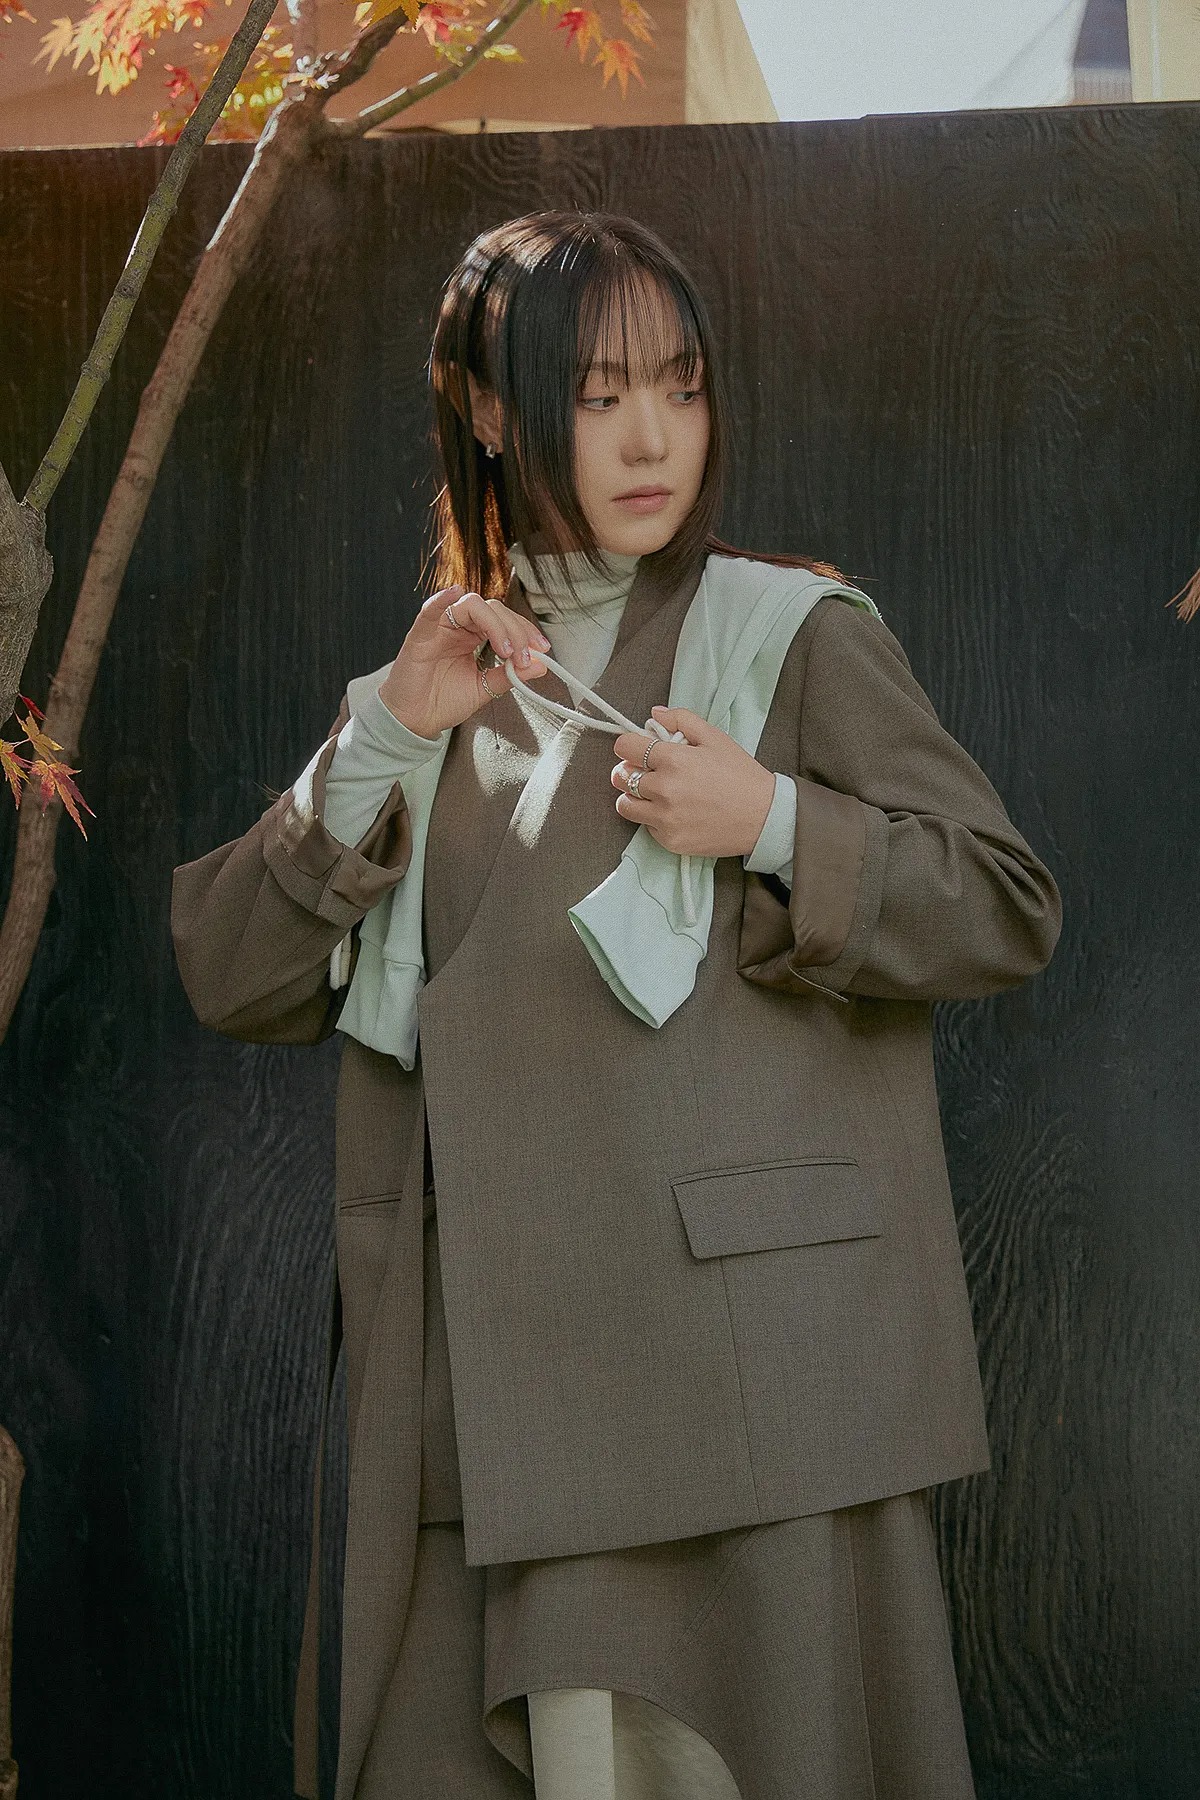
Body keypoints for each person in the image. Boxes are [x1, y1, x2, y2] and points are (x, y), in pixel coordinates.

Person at [170, 209, 1063, 1800]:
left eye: (681, 385)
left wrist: (773, 820)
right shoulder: (446, 681)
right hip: (484, 1427)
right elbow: (234, 971)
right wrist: (381, 738)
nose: (653, 437)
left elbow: (1003, 902)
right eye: (596, 396)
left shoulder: (790, 634)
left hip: (747, 1406)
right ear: (491, 412)